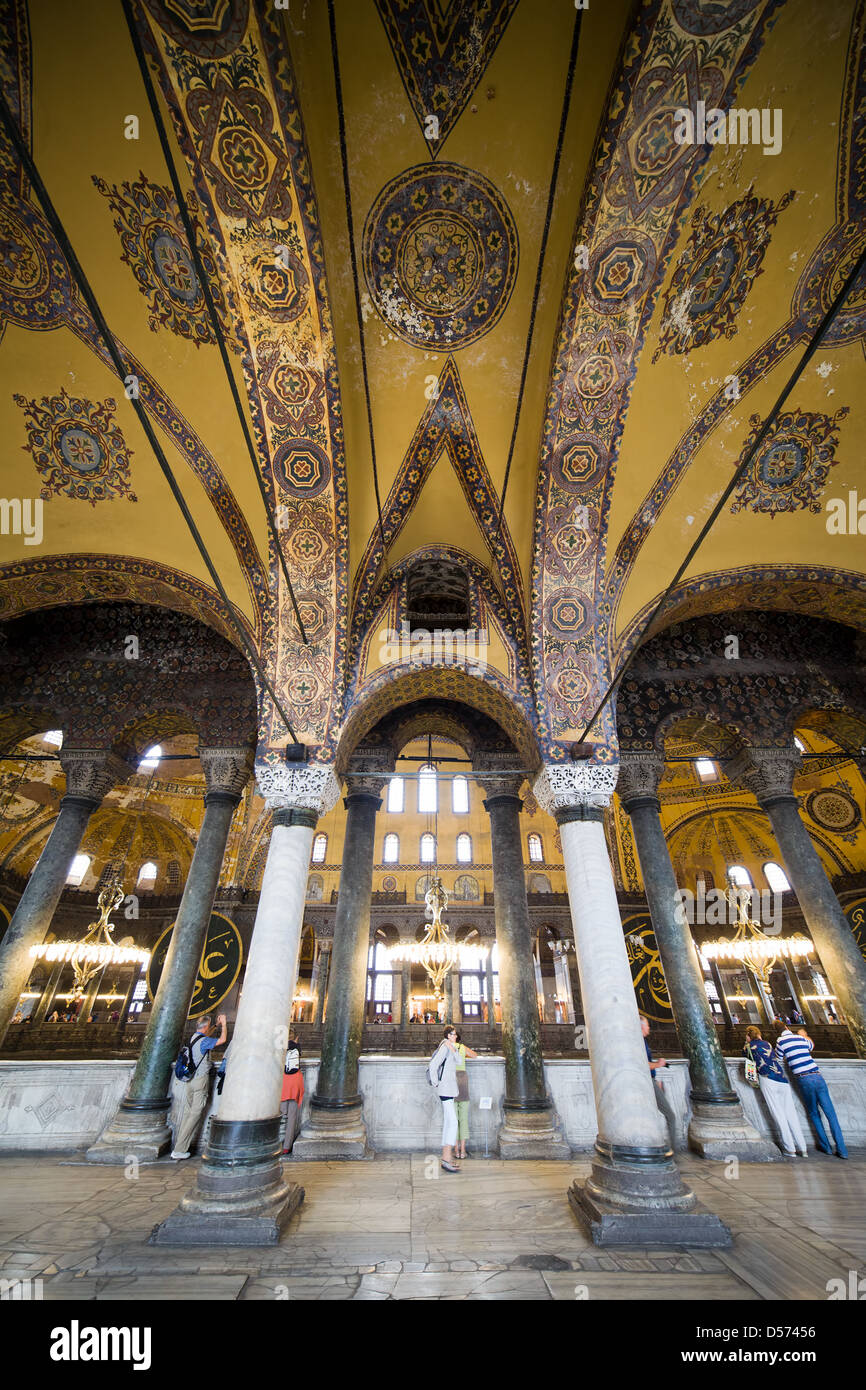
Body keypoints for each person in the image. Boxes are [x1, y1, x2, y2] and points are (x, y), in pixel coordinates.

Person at [776, 1024, 848, 1158]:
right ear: (786, 1027)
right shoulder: (800, 1038)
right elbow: (811, 1045)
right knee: (831, 1114)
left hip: (803, 1079)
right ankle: (842, 1150)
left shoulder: (780, 1042)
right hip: (817, 1075)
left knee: (814, 1114)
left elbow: (779, 1059)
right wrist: (804, 1034)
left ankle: (826, 1147)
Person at [743, 1025, 807, 1157]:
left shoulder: (748, 1046)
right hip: (782, 1079)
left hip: (768, 1079)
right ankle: (803, 1147)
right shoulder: (767, 1044)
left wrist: (747, 1043)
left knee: (779, 1114)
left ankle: (790, 1149)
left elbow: (747, 1057)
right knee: (791, 1114)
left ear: (748, 1036)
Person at [170, 1013, 227, 1160]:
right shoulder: (204, 1042)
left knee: (188, 1114)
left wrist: (216, 1025)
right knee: (194, 1116)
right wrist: (224, 1024)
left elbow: (205, 1035)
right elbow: (223, 1040)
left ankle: (180, 1146)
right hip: (200, 1080)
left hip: (189, 1081)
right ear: (206, 1027)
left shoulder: (193, 1039)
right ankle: (179, 1149)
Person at [640, 1015, 677, 1150]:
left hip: (651, 1081)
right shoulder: (639, 1042)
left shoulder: (643, 1041)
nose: (649, 1027)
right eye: (647, 1025)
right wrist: (658, 1064)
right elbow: (642, 1064)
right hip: (647, 1082)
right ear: (641, 1027)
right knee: (670, 1116)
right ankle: (672, 1150)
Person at [428, 1025, 461, 1173]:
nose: (455, 1037)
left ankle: (446, 1158)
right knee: (453, 1122)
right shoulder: (444, 1048)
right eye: (453, 1034)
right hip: (445, 1088)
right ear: (448, 1035)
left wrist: (453, 1048)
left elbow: (459, 1061)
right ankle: (447, 1158)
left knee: (449, 1122)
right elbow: (433, 1064)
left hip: (450, 1088)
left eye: (455, 1035)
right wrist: (436, 1083)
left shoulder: (451, 1047)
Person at [453, 1030, 478, 1160]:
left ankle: (455, 1150)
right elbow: (474, 1055)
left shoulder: (448, 1048)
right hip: (462, 1082)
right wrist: (464, 1056)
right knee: (463, 1119)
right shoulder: (462, 1048)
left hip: (451, 1083)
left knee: (453, 1120)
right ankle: (463, 1151)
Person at [280, 1034, 304, 1154]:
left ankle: (277, 1142)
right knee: (292, 1117)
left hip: (283, 1083)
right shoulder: (297, 1048)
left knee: (280, 1115)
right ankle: (287, 1146)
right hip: (295, 1083)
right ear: (296, 1037)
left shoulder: (281, 1048)